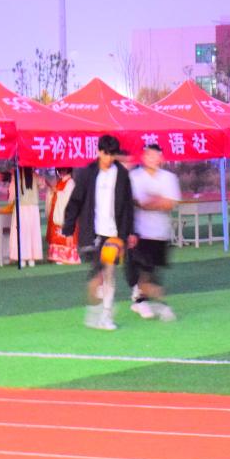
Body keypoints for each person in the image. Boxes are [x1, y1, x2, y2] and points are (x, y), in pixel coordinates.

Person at [62, 134, 135, 331]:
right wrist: (68, 229)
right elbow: (75, 201)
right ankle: (95, 310)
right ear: (99, 152)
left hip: (114, 234)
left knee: (109, 272)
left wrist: (130, 232)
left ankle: (106, 315)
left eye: (112, 154)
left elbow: (128, 205)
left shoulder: (122, 174)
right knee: (96, 278)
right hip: (93, 233)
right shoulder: (87, 173)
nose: (109, 158)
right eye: (106, 154)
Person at [128, 144, 181, 321]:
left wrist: (152, 201)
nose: (152, 159)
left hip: (161, 232)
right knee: (146, 270)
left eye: (155, 155)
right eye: (148, 155)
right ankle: (153, 303)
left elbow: (170, 203)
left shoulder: (168, 178)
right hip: (141, 233)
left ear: (161, 158)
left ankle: (140, 298)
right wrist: (156, 201)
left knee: (154, 271)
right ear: (143, 158)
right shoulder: (135, 177)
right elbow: (137, 202)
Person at [9, 167, 43, 267]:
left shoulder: (16, 176)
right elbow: (42, 184)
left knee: (22, 233)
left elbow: (12, 195)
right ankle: (32, 258)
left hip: (21, 207)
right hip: (33, 208)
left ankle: (22, 258)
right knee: (32, 233)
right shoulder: (35, 175)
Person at [46, 167, 80, 264]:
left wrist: (57, 192)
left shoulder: (70, 182)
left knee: (65, 235)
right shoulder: (60, 181)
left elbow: (68, 197)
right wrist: (53, 191)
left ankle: (67, 256)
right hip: (56, 211)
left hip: (65, 212)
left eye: (64, 170)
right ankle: (56, 256)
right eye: (60, 170)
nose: (61, 172)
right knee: (56, 235)